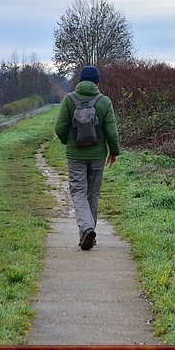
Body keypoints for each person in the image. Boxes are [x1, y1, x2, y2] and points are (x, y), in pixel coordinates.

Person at [54, 65, 121, 250]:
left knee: (78, 192)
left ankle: (86, 230)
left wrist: (68, 141)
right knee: (92, 194)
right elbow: (112, 132)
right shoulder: (104, 101)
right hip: (98, 155)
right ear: (97, 82)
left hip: (75, 156)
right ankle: (89, 233)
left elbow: (59, 128)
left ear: (80, 81)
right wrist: (114, 152)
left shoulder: (70, 100)